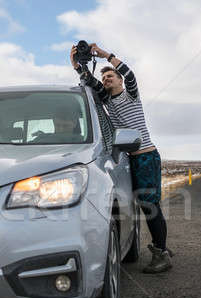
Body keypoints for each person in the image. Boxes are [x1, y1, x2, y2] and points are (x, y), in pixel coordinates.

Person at [70, 43, 172, 273]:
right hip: (131, 158)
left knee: (149, 206)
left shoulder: (131, 95)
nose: (105, 79)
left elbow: (130, 74)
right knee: (141, 204)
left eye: (110, 76)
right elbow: (90, 81)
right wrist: (76, 64)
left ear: (120, 81)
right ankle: (162, 246)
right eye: (104, 77)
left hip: (146, 157)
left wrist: (105, 55)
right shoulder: (106, 100)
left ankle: (162, 254)